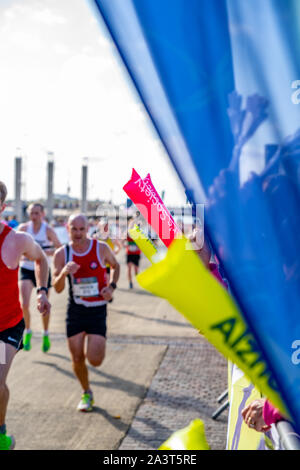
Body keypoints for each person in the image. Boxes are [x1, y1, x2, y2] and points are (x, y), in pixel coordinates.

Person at [0, 181, 50, 450]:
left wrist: (42, 291)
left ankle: (1, 435)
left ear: (2, 207)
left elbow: (41, 259)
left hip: (6, 327)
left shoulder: (16, 239)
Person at [52, 214, 120, 412]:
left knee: (95, 360)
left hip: (98, 310)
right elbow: (56, 288)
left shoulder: (100, 248)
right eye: (74, 229)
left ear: (87, 229)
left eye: (82, 229)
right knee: (77, 359)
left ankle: (89, 382)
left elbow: (116, 266)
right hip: (76, 310)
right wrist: (64, 272)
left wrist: (112, 287)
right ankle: (87, 392)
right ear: (68, 228)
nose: (78, 233)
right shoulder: (61, 253)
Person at [18, 203, 61, 352]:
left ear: (42, 214)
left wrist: (48, 253)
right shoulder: (23, 229)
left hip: (43, 271)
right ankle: (28, 331)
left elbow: (59, 248)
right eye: (31, 213)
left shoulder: (47, 230)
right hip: (27, 269)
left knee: (44, 307)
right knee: (23, 304)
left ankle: (45, 333)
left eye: (37, 213)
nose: (34, 216)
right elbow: (15, 247)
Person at [124, 216, 141, 289]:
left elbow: (143, 242)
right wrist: (124, 245)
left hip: (136, 253)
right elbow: (122, 241)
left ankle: (137, 279)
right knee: (129, 268)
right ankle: (130, 282)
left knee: (136, 270)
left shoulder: (139, 232)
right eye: (131, 223)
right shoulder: (127, 232)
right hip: (129, 253)